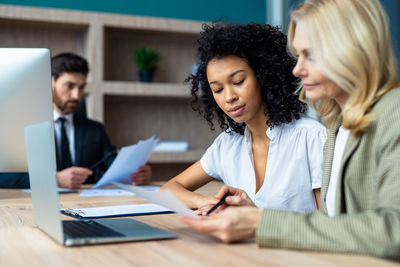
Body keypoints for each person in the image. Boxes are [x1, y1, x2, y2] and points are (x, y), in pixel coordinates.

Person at [182, 0, 400, 260]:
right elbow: (332, 228)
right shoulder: (338, 128)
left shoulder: (392, 114)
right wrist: (253, 213)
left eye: (312, 55)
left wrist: (260, 223)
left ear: (354, 49)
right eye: (298, 56)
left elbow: (394, 232)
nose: (297, 69)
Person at [161, 23, 326, 214]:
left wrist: (255, 216)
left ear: (262, 75)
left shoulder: (311, 138)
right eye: (218, 89)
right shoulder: (227, 144)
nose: (229, 97)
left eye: (238, 82)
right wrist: (206, 201)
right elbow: (167, 190)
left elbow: (327, 226)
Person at [0, 52, 151, 189]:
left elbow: (113, 166)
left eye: (81, 87)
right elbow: (4, 176)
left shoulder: (95, 129)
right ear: (51, 82)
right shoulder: (24, 126)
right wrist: (54, 179)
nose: (76, 96)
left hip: (85, 206)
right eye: (70, 86)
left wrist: (134, 174)